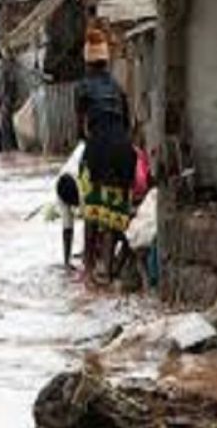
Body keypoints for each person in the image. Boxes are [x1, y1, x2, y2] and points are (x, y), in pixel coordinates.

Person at [75, 28, 136, 286]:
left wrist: (89, 146)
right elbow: (128, 122)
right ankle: (107, 271)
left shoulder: (82, 88)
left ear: (87, 62)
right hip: (123, 150)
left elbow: (80, 129)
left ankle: (88, 270)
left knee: (92, 212)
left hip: (99, 147)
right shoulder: (117, 87)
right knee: (111, 215)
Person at [55, 141, 86, 272]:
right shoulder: (60, 190)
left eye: (75, 204)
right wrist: (66, 262)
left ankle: (88, 253)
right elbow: (67, 229)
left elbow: (91, 221)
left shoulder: (82, 188)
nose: (74, 207)